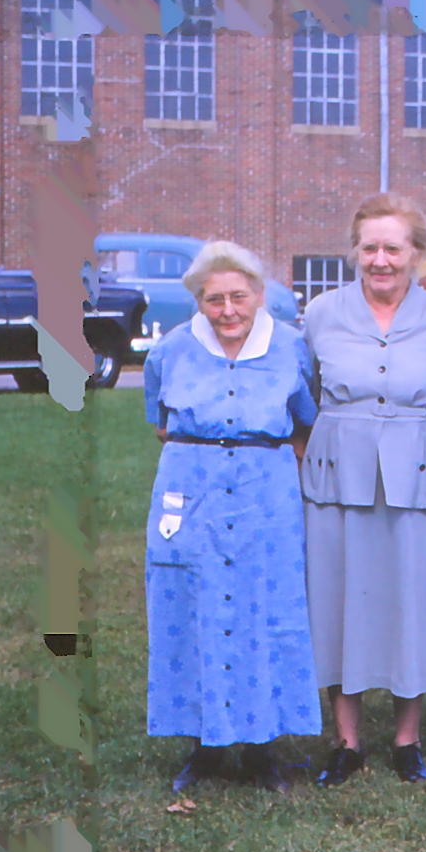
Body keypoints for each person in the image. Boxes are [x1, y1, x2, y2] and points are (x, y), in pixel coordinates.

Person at [301, 195, 426, 787]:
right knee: (337, 597)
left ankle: (406, 740)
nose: (379, 260)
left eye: (392, 247)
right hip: (335, 476)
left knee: (412, 600)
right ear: (354, 251)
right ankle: (346, 742)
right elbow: (304, 395)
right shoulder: (320, 314)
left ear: (416, 253)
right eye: (368, 246)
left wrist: (404, 441)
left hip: (418, 474)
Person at [143, 240, 320, 793]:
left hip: (264, 490)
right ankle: (205, 746)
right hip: (190, 489)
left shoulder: (291, 348)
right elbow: (160, 420)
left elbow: (304, 420)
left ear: (260, 295)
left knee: (265, 607)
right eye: (213, 299)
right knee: (191, 605)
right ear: (199, 301)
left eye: (238, 297)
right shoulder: (170, 351)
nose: (227, 311)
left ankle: (262, 746)